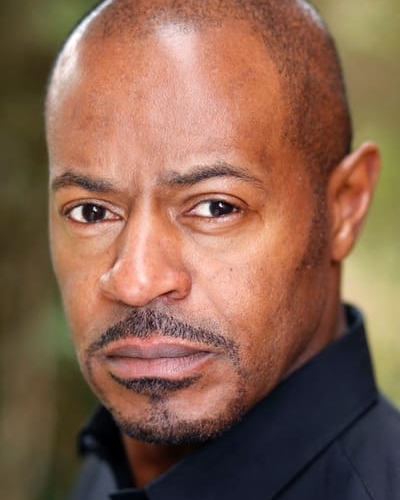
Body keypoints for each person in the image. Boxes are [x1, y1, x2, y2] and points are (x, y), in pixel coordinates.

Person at [45, 0, 400, 498]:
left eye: (216, 207)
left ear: (344, 207)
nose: (135, 280)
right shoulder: (110, 464)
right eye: (91, 212)